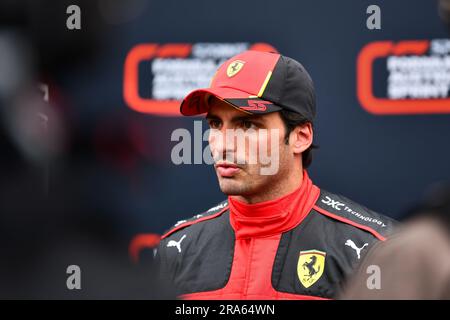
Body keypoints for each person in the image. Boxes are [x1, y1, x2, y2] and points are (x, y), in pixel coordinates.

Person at [155, 50, 396, 299]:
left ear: (300, 137)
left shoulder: (374, 250)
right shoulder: (177, 250)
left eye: (247, 124)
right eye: (216, 124)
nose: (223, 144)